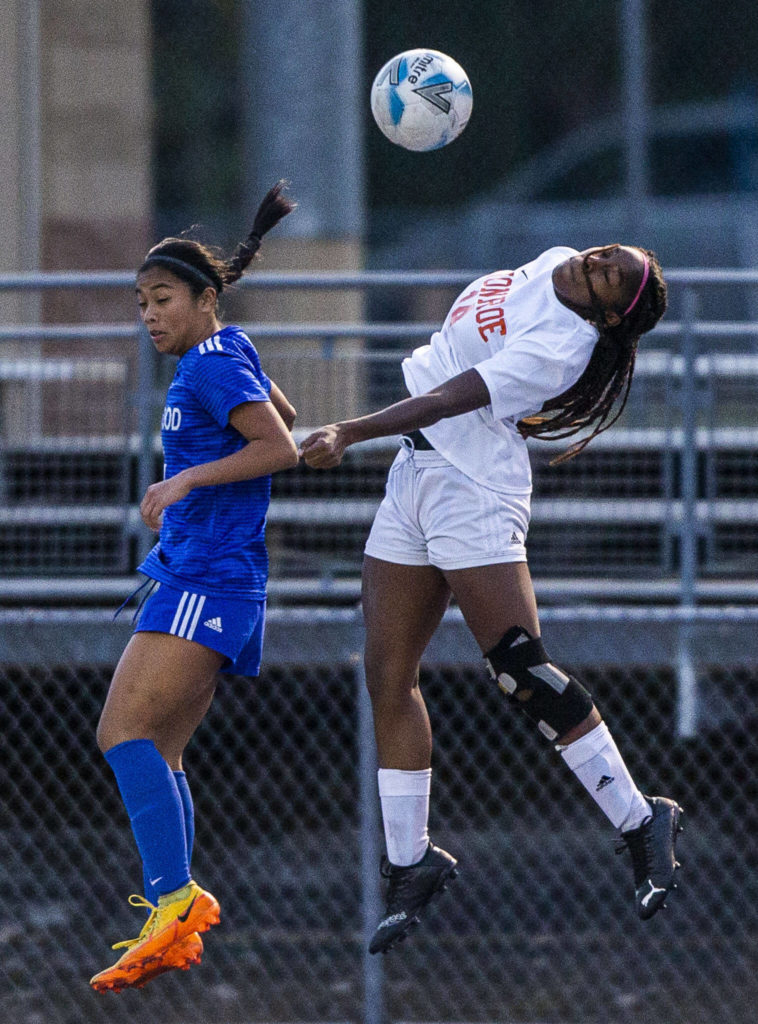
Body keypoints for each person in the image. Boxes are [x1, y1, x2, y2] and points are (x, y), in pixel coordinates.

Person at [300, 243, 684, 955]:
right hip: (415, 472)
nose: (597, 259)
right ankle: (411, 862)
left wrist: (348, 431)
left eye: (609, 275)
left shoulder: (564, 346)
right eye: (609, 254)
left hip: (472, 485)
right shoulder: (557, 258)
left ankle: (640, 820)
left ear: (606, 314)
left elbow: (452, 398)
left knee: (520, 669)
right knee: (386, 673)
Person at [89, 182, 299, 992]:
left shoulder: (210, 364)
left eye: (164, 299)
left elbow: (275, 445)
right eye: (143, 302)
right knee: (162, 747)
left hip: (206, 581)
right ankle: (175, 910)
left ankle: (175, 897)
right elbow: (283, 417)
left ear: (204, 299)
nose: (150, 315)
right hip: (217, 581)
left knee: (121, 734)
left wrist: (184, 485)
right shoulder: (225, 351)